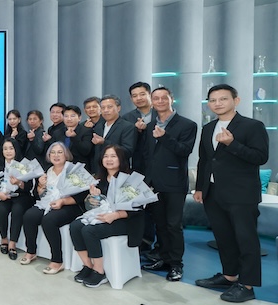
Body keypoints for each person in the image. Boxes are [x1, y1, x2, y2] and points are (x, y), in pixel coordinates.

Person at [194, 84, 269, 303]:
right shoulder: (208, 128)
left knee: (246, 240)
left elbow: (260, 157)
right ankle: (229, 276)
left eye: (223, 99)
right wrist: (200, 187)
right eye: (213, 100)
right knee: (224, 237)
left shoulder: (252, 126)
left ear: (236, 101)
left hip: (241, 194)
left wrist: (232, 144)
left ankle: (247, 285)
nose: (217, 103)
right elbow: (204, 160)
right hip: (213, 192)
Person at [141, 87, 197, 282]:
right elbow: (148, 155)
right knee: (160, 225)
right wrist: (146, 180)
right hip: (154, 183)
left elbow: (184, 150)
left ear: (171, 99)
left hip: (174, 183)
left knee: (173, 225)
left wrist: (164, 137)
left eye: (164, 98)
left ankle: (176, 264)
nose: (160, 101)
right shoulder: (150, 126)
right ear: (152, 102)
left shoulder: (187, 124)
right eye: (156, 98)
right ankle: (164, 258)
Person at [70, 145, 145, 287]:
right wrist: (94, 199)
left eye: (113, 156)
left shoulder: (130, 180)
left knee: (89, 230)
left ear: (121, 159)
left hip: (126, 221)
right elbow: (98, 205)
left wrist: (116, 215)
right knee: (75, 226)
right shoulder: (100, 179)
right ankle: (88, 265)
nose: (109, 159)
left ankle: (99, 271)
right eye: (106, 156)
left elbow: (139, 208)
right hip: (104, 217)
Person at [20, 142, 89, 274]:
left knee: (49, 220)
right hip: (48, 203)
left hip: (70, 205)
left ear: (66, 155)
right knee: (29, 216)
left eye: (59, 152)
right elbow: (38, 194)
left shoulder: (73, 170)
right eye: (53, 152)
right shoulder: (48, 170)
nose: (56, 155)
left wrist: (63, 201)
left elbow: (83, 195)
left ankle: (57, 260)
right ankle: (31, 251)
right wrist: (40, 187)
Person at [0, 139, 33, 260]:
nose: (8, 151)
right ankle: (4, 239)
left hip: (20, 196)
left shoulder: (22, 164)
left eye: (11, 148)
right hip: (3, 195)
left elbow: (29, 187)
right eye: (5, 149)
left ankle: (13, 243)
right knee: (1, 209)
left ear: (16, 149)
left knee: (17, 210)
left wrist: (19, 182)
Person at [91, 95, 136, 170]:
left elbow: (127, 151)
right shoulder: (98, 127)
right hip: (100, 170)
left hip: (119, 170)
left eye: (109, 107)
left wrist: (104, 142)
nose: (106, 110)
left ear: (118, 108)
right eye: (103, 108)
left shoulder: (127, 127)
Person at [121, 82, 152, 173]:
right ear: (131, 98)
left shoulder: (160, 114)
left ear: (150, 94)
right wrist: (135, 130)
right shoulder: (126, 118)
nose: (138, 98)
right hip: (138, 164)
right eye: (134, 96)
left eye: (142, 94)